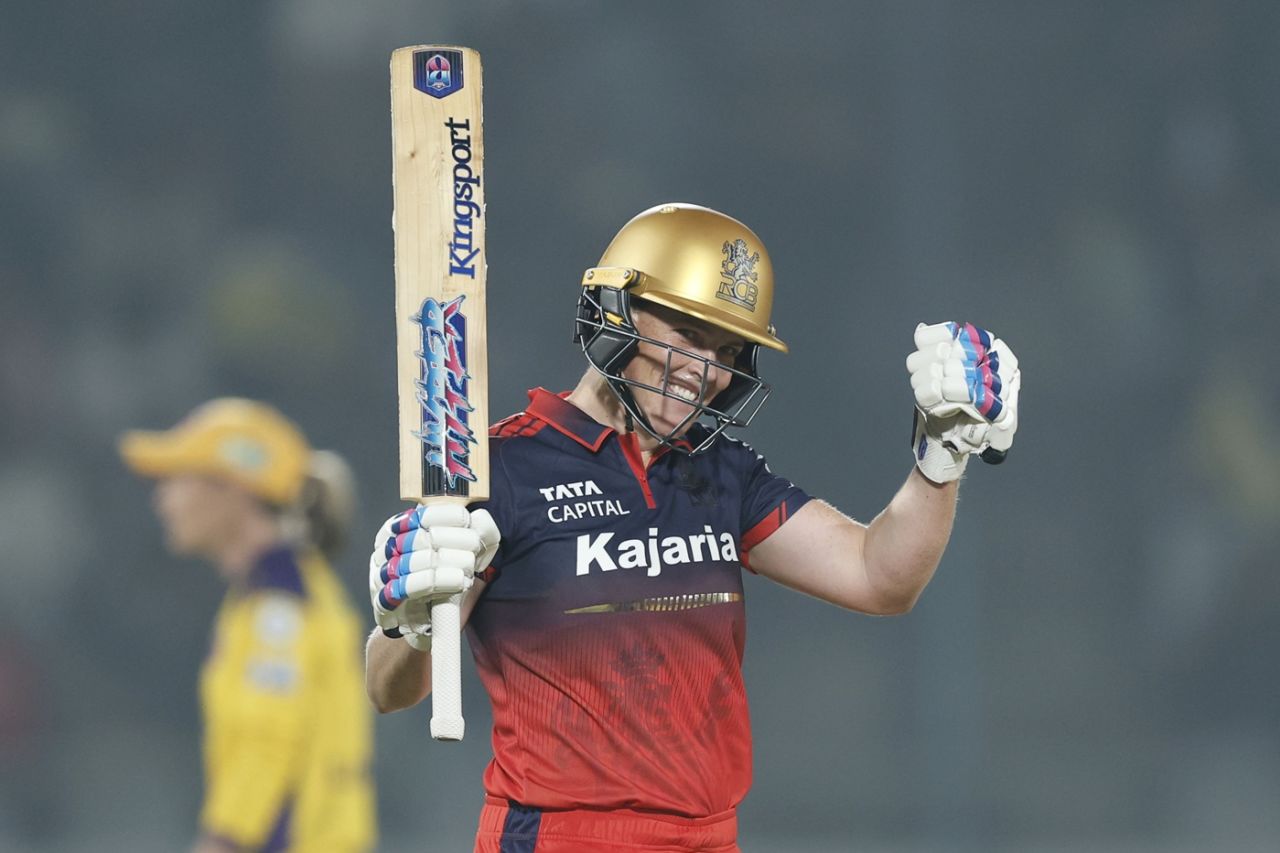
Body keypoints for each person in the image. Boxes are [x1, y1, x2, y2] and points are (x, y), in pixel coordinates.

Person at [365, 203, 1022, 852]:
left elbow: (880, 577)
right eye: (685, 332)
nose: (704, 371)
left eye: (725, 350)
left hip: (708, 838)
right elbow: (387, 687)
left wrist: (942, 457)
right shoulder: (498, 469)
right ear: (614, 312)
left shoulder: (719, 470)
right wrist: (411, 625)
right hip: (561, 837)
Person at [120, 398, 376, 853]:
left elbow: (269, 747)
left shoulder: (280, 608)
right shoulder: (271, 597)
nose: (163, 500)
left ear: (233, 488)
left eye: (177, 479)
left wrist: (223, 842)